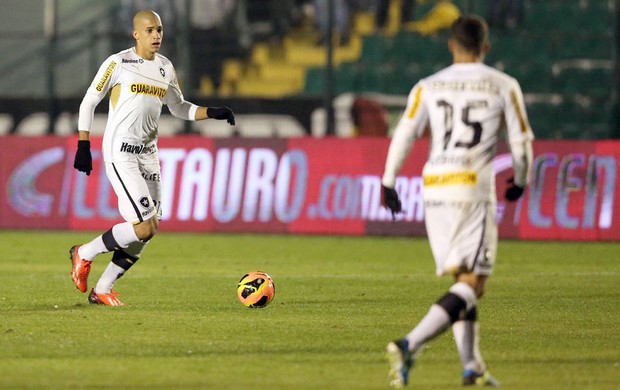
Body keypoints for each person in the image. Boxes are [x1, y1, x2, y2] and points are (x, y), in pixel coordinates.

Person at [381, 15, 533, 387]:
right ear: (485, 47)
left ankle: (472, 366)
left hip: (434, 186)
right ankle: (409, 343)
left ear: (452, 45)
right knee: (475, 283)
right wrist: (522, 179)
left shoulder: (427, 86)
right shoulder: (503, 84)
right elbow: (521, 143)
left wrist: (388, 181)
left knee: (462, 279)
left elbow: (404, 132)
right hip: (470, 187)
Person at [70, 10, 235, 306]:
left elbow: (179, 107)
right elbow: (89, 100)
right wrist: (84, 143)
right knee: (144, 225)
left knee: (149, 230)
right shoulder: (118, 62)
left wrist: (211, 112)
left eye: (159, 29)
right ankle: (85, 252)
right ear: (136, 34)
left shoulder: (165, 67)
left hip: (148, 154)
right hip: (121, 152)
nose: (156, 35)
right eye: (149, 30)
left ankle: (103, 288)